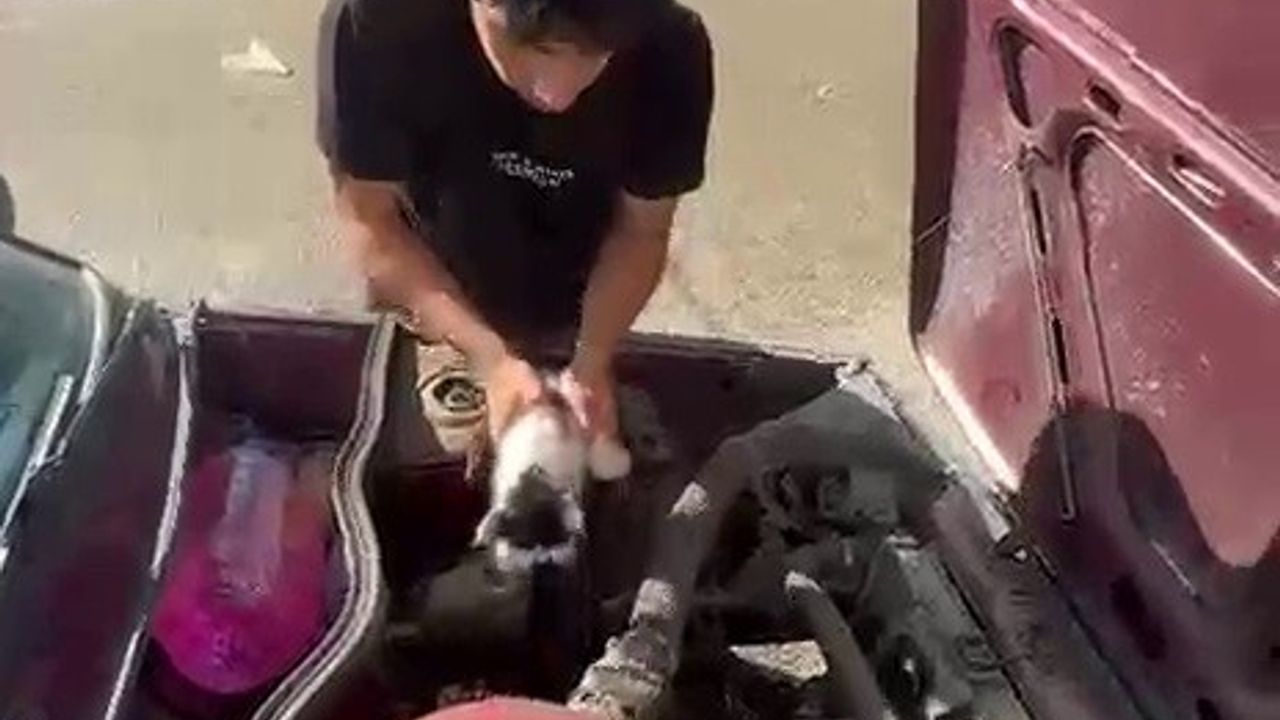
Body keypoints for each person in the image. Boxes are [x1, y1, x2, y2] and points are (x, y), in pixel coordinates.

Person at [317, 0, 714, 447]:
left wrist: (592, 358)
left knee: (617, 457)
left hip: (580, 304)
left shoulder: (669, 45)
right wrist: (490, 360)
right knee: (459, 458)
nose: (557, 95)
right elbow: (371, 222)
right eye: (540, 50)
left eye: (596, 54)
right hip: (441, 295)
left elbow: (641, 231)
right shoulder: (381, 23)